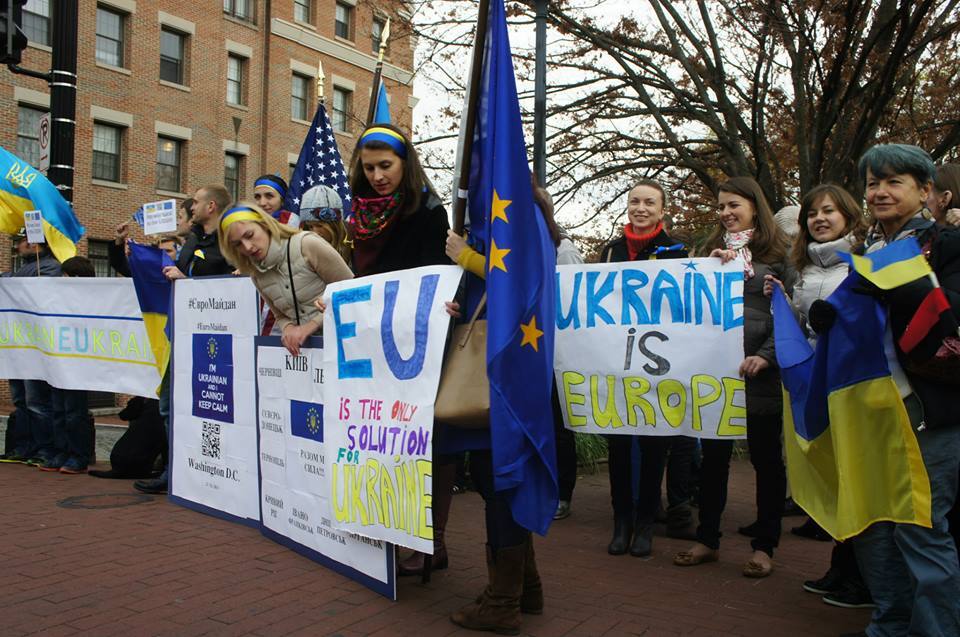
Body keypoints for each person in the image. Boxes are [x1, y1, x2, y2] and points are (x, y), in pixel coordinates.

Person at [813, 144, 960, 637]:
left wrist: (902, 282)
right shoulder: (863, 256)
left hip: (925, 415)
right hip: (869, 416)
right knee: (874, 529)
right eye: (873, 182)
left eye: (894, 181)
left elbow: (950, 316)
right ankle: (890, 624)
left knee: (921, 531)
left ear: (926, 192)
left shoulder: (948, 245)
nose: (880, 191)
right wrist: (830, 318)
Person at [443, 178, 556, 635]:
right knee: (495, 478)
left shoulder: (519, 216)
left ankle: (503, 601)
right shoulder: (500, 217)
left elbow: (517, 279)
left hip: (504, 373)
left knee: (500, 476)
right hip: (495, 369)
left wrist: (466, 257)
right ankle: (524, 587)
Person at [674, 176, 794, 578]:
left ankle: (765, 547)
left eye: (734, 205)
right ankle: (708, 539)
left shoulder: (780, 255)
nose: (726, 212)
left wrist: (766, 356)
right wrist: (706, 270)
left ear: (754, 207)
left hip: (760, 376)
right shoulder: (711, 254)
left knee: (765, 461)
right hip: (718, 376)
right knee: (713, 461)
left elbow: (791, 314)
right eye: (722, 206)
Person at [346, 123, 453, 576]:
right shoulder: (355, 216)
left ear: (405, 165)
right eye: (369, 167)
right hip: (374, 344)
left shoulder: (429, 211)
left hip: (420, 344)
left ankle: (433, 541)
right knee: (384, 441)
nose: (377, 175)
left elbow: (438, 273)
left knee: (427, 442)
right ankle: (395, 527)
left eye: (385, 166)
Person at [765, 184, 873, 609]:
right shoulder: (806, 269)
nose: (819, 219)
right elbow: (803, 325)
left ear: (848, 215)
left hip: (850, 385)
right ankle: (841, 566)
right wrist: (783, 303)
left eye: (829, 211)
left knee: (854, 479)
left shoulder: (862, 264)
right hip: (816, 382)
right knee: (833, 477)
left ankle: (861, 576)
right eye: (812, 213)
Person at [596, 180, 696, 558]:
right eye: (635, 201)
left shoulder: (677, 251)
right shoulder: (610, 252)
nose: (641, 208)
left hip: (658, 367)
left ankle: (645, 524)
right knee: (619, 446)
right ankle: (621, 520)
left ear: (662, 210)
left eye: (649, 202)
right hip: (617, 364)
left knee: (655, 447)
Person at [134, 185, 235, 495]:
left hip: (214, 342)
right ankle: (174, 471)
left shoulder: (230, 241)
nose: (192, 208)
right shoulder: (193, 239)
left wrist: (187, 280)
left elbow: (237, 284)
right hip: (179, 334)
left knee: (210, 409)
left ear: (212, 206)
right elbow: (177, 271)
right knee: (168, 406)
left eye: (198, 202)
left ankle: (213, 471)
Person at [218, 203, 352, 356]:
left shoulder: (307, 244)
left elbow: (353, 292)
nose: (247, 247)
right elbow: (280, 315)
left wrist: (311, 326)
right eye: (237, 244)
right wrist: (288, 327)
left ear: (265, 225)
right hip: (308, 356)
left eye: (249, 235)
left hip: (345, 345)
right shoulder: (256, 273)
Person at [1, 230, 61, 466]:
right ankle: (23, 447)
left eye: (24, 241)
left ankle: (44, 449)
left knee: (37, 402)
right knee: (21, 401)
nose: (19, 245)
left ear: (38, 244)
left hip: (36, 347)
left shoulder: (50, 267)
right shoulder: (22, 269)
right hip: (16, 345)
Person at [41, 256, 97, 474]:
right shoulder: (58, 298)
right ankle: (61, 451)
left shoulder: (93, 300)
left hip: (78, 364)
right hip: (59, 361)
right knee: (58, 409)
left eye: (64, 276)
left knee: (75, 411)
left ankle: (78, 455)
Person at [299, 184, 352, 264]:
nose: (315, 232)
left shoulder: (354, 245)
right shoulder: (304, 250)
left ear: (334, 225)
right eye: (310, 227)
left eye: (319, 226)